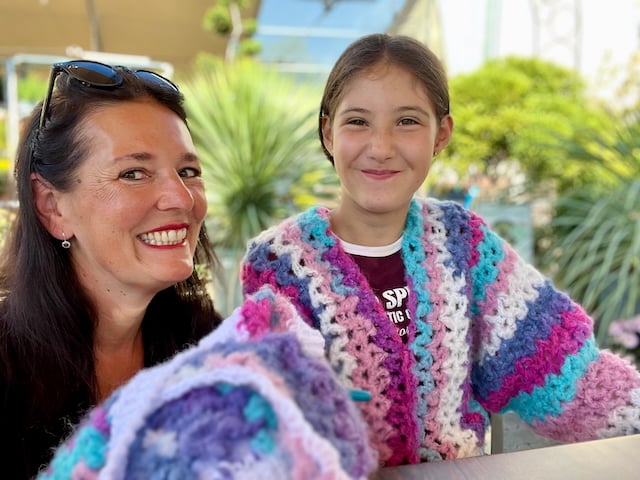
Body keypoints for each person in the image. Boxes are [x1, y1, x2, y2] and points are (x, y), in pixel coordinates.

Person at [241, 33, 640, 467]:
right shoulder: (281, 264)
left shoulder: (462, 246)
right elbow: (263, 417)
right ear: (328, 132)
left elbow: (567, 374)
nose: (380, 147)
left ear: (441, 134)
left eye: (407, 121)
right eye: (357, 121)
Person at [0, 60, 223, 478]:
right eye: (133, 173)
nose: (181, 198)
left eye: (188, 171)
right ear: (52, 206)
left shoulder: (208, 344)